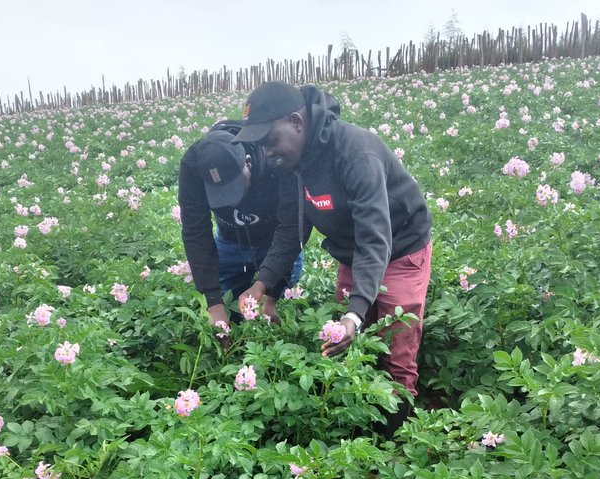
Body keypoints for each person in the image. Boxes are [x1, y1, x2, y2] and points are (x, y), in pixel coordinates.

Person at [235, 81, 432, 434]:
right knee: (342, 345)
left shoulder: (355, 153)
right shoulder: (291, 163)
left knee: (395, 347)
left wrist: (355, 314)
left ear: (297, 122)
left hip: (401, 248)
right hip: (352, 252)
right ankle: (357, 431)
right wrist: (263, 283)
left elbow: (375, 238)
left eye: (270, 140)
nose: (267, 151)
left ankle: (397, 440)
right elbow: (290, 228)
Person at [177, 123, 302, 330]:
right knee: (227, 301)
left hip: (274, 237)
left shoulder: (274, 156)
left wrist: (271, 295)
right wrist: (214, 304)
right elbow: (195, 233)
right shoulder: (194, 166)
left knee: (284, 286)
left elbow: (291, 228)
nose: (230, 201)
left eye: (234, 188)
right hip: (230, 238)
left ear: (248, 163)